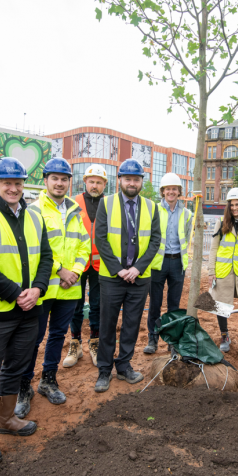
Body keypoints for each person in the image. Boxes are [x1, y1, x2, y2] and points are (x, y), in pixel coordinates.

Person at [0, 157, 53, 465]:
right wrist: (16, 295)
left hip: (30, 309)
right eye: (7, 183)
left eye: (18, 183)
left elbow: (46, 257)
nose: (14, 188)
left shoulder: (35, 216)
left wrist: (38, 290)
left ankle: (6, 421)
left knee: (16, 368)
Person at [14, 157, 91, 418]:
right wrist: (61, 270)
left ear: (70, 182)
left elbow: (84, 245)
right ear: (45, 181)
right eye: (55, 178)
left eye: (64, 179)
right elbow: (36, 247)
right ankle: (23, 387)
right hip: (44, 286)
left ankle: (48, 380)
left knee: (58, 335)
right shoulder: (34, 210)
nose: (60, 183)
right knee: (32, 339)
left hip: (70, 288)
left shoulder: (74, 210)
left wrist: (76, 272)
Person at [93, 159, 161, 392]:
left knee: (132, 324)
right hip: (112, 277)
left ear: (142, 181)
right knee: (108, 324)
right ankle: (104, 369)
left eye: (137, 179)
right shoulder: (106, 203)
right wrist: (119, 269)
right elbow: (100, 239)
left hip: (139, 279)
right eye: (128, 179)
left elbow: (155, 240)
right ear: (119, 180)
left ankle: (124, 366)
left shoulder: (152, 207)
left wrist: (137, 268)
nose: (132, 183)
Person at [144, 172, 193, 354]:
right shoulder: (154, 210)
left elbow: (187, 237)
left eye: (174, 189)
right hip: (158, 263)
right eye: (167, 189)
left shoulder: (187, 213)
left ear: (179, 191)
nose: (171, 192)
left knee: (174, 304)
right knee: (155, 303)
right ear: (162, 191)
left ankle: (172, 341)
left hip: (177, 263)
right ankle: (153, 337)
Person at [66, 164, 108, 368]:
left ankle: (95, 342)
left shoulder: (109, 205)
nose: (95, 185)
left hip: (101, 265)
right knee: (75, 304)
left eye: (99, 182)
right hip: (77, 264)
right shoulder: (73, 203)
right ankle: (75, 343)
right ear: (85, 182)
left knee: (97, 306)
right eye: (91, 181)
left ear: (105, 185)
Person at [207, 187, 238, 352]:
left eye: (237, 204)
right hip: (223, 271)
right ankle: (224, 335)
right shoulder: (221, 223)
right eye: (231, 205)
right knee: (221, 305)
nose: (234, 208)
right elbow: (213, 248)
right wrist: (212, 271)